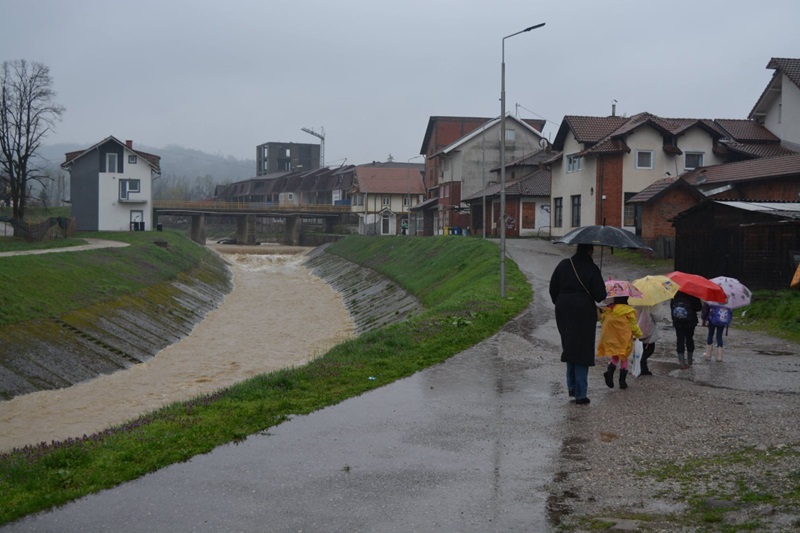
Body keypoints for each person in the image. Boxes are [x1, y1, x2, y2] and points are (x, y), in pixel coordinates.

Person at [549, 243, 607, 405]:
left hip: (563, 308)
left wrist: (562, 302)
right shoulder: (592, 268)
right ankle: (581, 394)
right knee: (582, 349)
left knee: (569, 345)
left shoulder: (563, 265)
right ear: (590, 251)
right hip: (584, 310)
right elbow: (600, 295)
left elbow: (553, 289)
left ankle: (572, 387)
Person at [597, 296, 643, 389]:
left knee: (615, 356)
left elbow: (603, 321)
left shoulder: (610, 309)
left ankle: (609, 372)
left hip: (613, 338)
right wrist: (639, 334)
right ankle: (622, 382)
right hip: (624, 339)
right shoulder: (629, 311)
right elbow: (633, 326)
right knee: (624, 357)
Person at [633, 301, 668, 376]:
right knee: (649, 349)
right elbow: (658, 317)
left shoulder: (634, 300)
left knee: (640, 348)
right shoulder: (651, 302)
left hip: (636, 327)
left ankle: (643, 368)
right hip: (647, 328)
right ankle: (641, 363)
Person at [670, 290, 702, 368]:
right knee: (689, 338)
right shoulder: (693, 293)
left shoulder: (675, 293)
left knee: (680, 339)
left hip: (678, 321)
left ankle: (681, 362)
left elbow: (672, 307)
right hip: (690, 321)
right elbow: (698, 308)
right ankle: (689, 359)